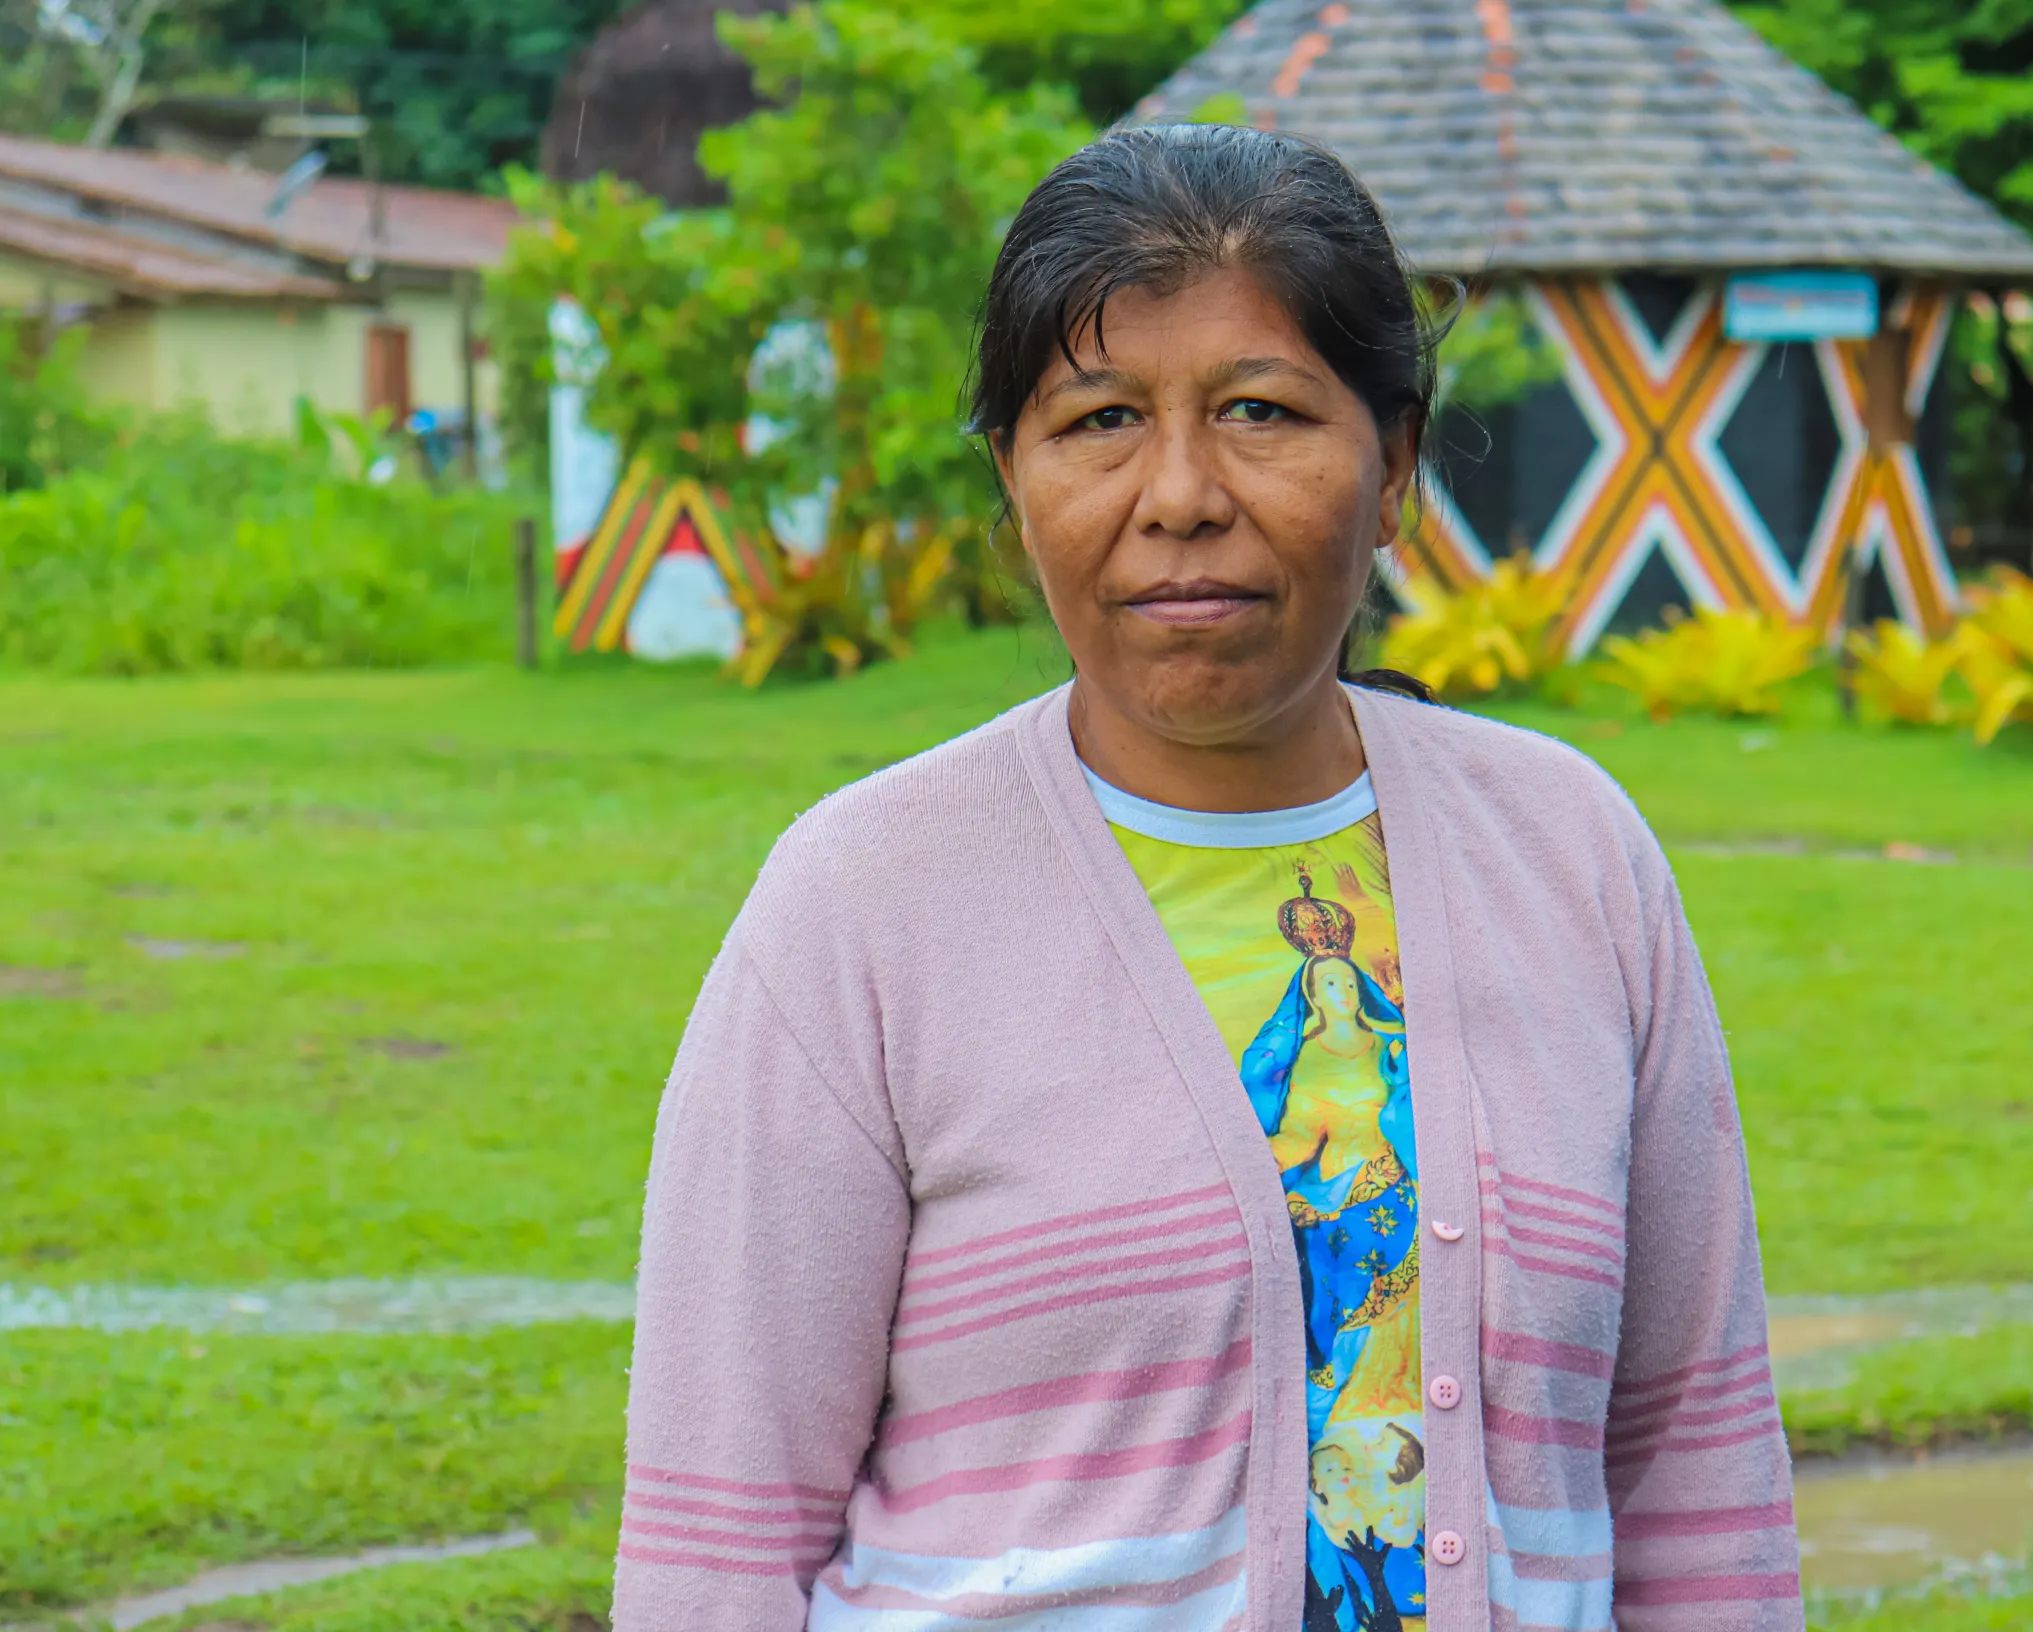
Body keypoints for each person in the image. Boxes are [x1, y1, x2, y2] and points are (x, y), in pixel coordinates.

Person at [613, 124, 1802, 1632]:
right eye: (1099, 420)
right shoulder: (863, 906)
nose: (1178, 493)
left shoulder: (1575, 862)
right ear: (1014, 480)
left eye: (1259, 410)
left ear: (1394, 469)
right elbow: (716, 1543)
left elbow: (1699, 1479)